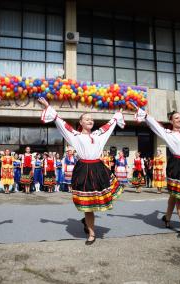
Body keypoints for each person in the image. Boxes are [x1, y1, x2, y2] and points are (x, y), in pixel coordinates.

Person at [39, 97, 125, 245]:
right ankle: (92, 233)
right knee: (88, 205)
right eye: (86, 119)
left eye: (91, 119)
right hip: (84, 170)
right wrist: (49, 107)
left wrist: (117, 115)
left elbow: (109, 125)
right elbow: (61, 123)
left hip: (98, 169)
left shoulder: (99, 134)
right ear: (81, 122)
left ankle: (87, 222)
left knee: (99, 200)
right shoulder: (75, 135)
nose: (90, 121)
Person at [134, 105, 180, 237]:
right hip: (176, 166)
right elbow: (155, 125)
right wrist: (145, 115)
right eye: (176, 118)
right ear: (171, 121)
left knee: (174, 196)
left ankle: (167, 218)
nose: (179, 120)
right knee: (179, 198)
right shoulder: (168, 133)